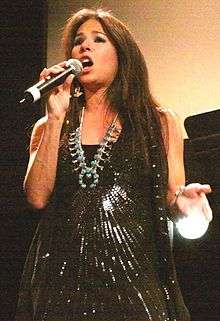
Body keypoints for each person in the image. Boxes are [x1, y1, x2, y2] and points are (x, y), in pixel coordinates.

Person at [16, 8, 212, 321]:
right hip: (61, 282)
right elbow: (36, 197)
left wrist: (189, 206)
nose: (84, 47)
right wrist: (55, 117)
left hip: (135, 279)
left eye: (98, 40)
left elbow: (173, 201)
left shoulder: (158, 122)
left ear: (122, 55)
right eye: (78, 41)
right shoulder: (48, 126)